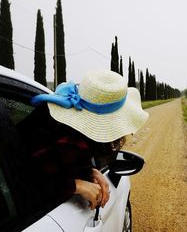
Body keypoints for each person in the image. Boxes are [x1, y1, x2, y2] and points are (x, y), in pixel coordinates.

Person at [17, 69, 149, 211]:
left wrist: (89, 172)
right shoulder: (72, 144)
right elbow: (25, 180)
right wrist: (78, 185)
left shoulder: (54, 127)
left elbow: (55, 166)